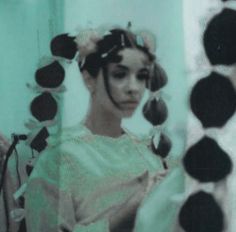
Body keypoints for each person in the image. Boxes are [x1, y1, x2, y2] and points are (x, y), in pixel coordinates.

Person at [24, 26, 180, 232]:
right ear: (89, 79)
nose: (134, 87)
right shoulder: (59, 160)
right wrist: (130, 207)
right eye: (120, 74)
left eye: (141, 76)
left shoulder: (150, 154)